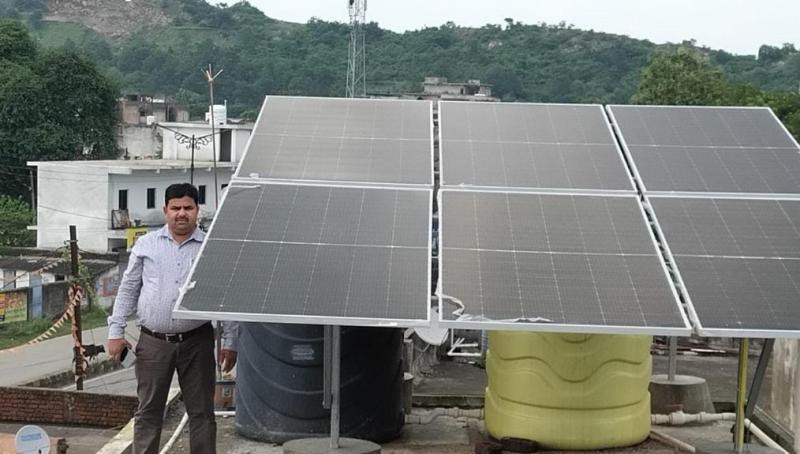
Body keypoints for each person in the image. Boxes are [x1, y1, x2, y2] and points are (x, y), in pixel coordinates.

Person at [107, 183, 237, 454]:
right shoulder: (146, 245)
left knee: (202, 413)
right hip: (154, 342)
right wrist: (115, 332)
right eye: (175, 208)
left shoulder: (211, 246)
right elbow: (128, 289)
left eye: (188, 207)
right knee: (148, 412)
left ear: (197, 210)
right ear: (165, 210)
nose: (181, 213)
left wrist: (230, 340)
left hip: (197, 341)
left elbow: (226, 293)